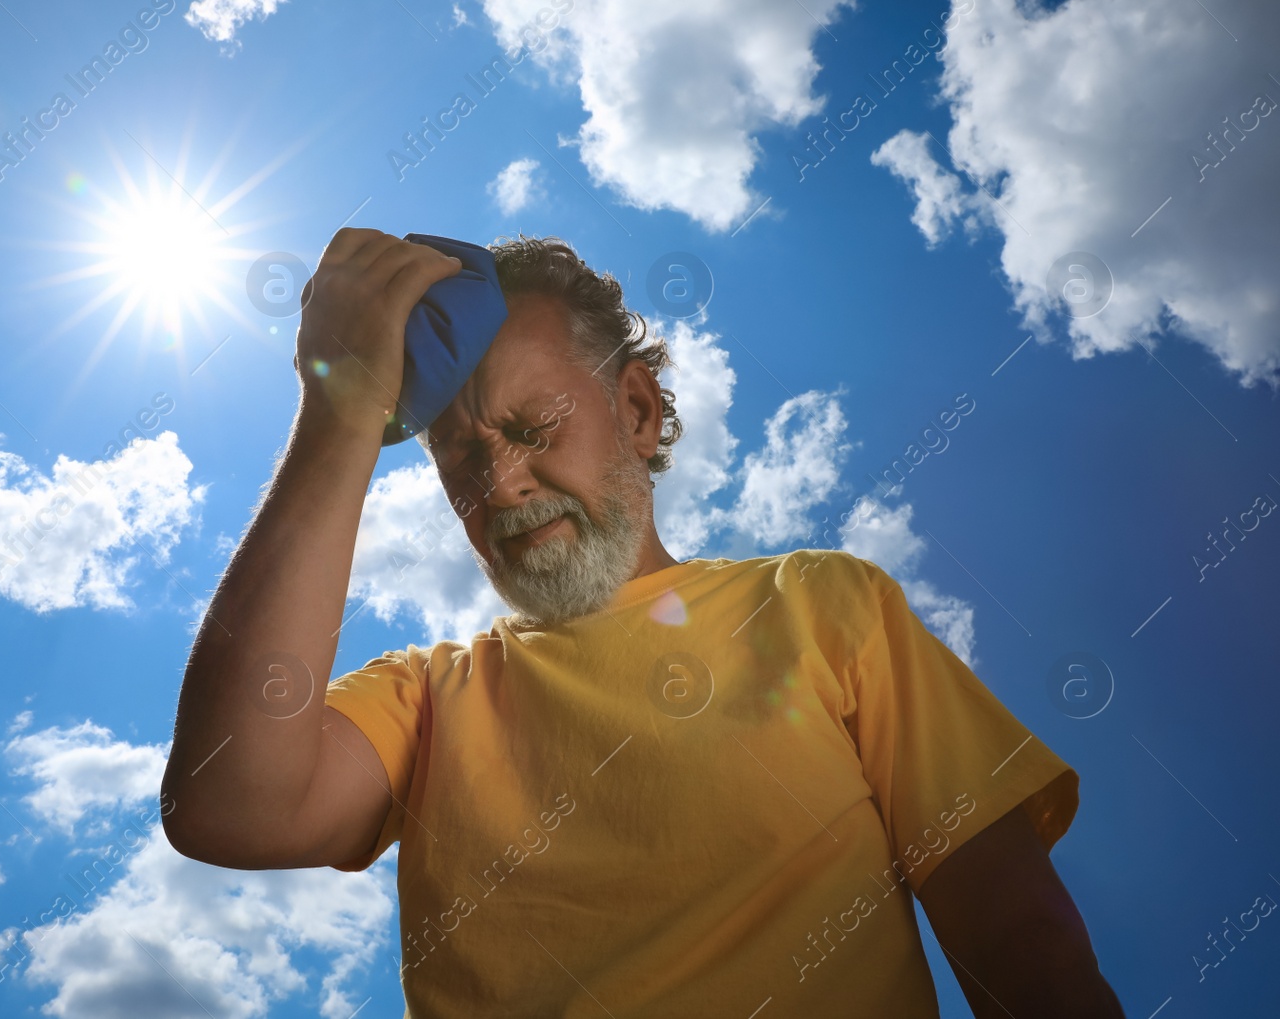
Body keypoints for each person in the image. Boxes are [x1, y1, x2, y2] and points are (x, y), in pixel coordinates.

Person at [161, 228, 1124, 1017]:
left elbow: (1020, 941)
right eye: (459, 456)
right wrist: (340, 409)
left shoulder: (824, 604)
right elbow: (225, 805)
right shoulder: (428, 700)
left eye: (533, 428)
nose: (499, 482)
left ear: (637, 409)